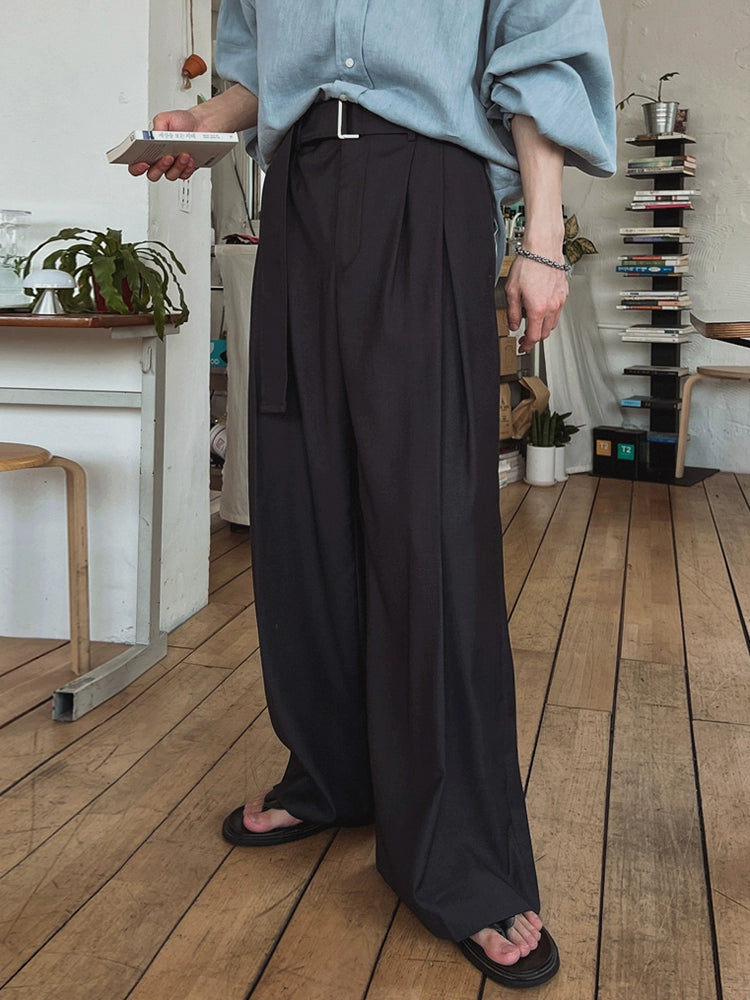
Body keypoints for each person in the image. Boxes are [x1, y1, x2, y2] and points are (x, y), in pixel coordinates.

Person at [131, 0, 615, 988]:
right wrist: (206, 123)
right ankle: (333, 773)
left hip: (425, 182)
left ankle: (464, 854)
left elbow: (539, 49)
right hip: (301, 188)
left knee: (425, 521)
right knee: (300, 492)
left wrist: (542, 237)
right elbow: (258, 70)